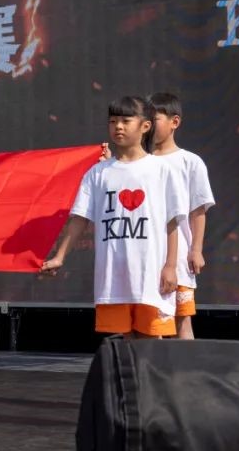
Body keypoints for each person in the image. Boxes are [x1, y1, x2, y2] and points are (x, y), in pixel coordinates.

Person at [41, 96, 188, 338]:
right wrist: (59, 256)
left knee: (151, 341)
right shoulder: (97, 173)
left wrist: (171, 267)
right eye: (113, 121)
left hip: (150, 277)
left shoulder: (162, 170)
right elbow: (80, 218)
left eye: (125, 121)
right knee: (122, 342)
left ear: (145, 126)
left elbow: (172, 223)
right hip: (112, 280)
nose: (118, 126)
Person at [148, 92, 215, 340]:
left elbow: (198, 210)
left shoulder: (190, 162)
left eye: (154, 119)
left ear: (174, 122)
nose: (148, 125)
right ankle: (152, 364)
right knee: (150, 321)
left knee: (181, 318)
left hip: (177, 258)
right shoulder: (140, 162)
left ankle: (185, 365)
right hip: (146, 255)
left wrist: (196, 249)